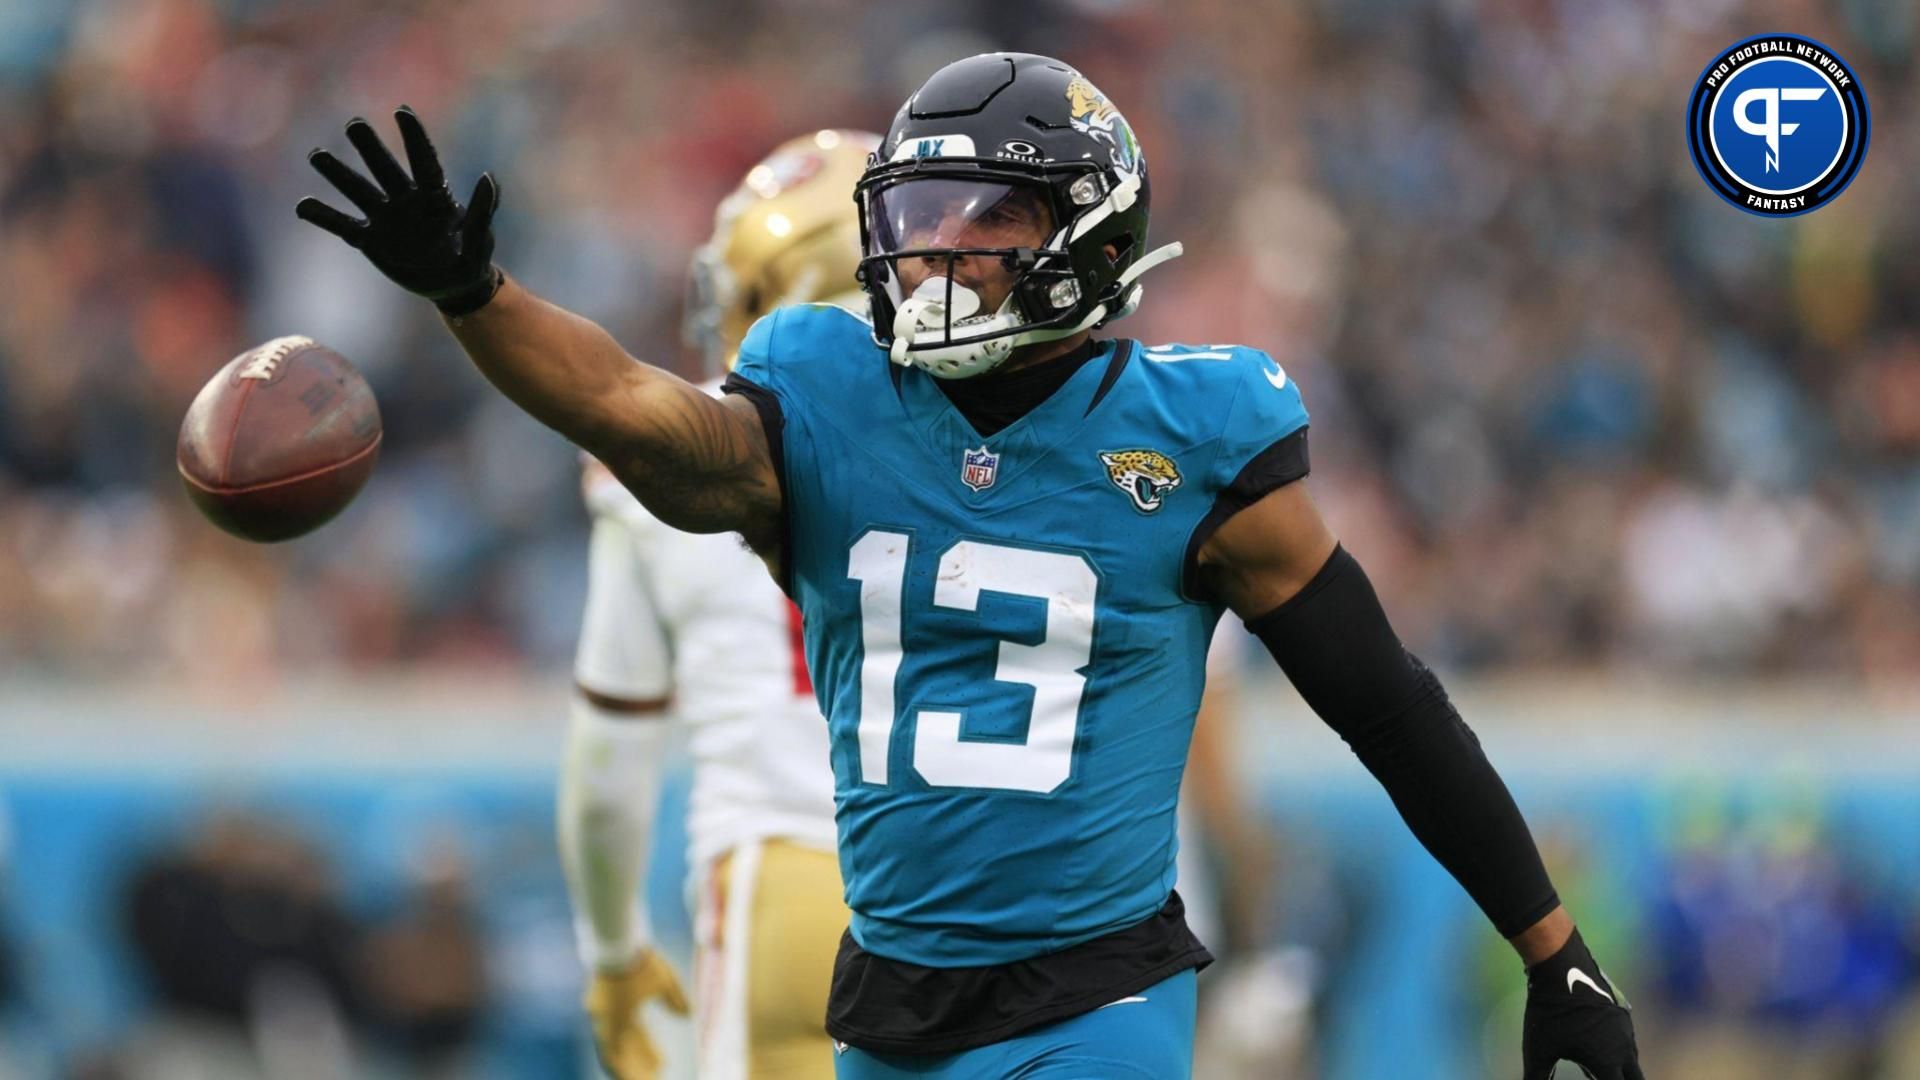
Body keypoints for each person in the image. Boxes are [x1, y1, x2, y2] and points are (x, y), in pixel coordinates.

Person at [296, 52, 1644, 1079]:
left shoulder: (1196, 437)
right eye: (918, 209)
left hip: (1092, 995)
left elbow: (1387, 703)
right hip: (884, 994)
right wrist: (476, 294)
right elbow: (633, 411)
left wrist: (1549, 944)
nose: (931, 249)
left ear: (1088, 235)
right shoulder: (820, 392)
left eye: (982, 216)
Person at [553, 129, 877, 1080]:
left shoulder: (666, 454)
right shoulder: (1007, 426)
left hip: (781, 876)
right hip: (976, 886)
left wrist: (612, 952)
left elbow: (609, 757)